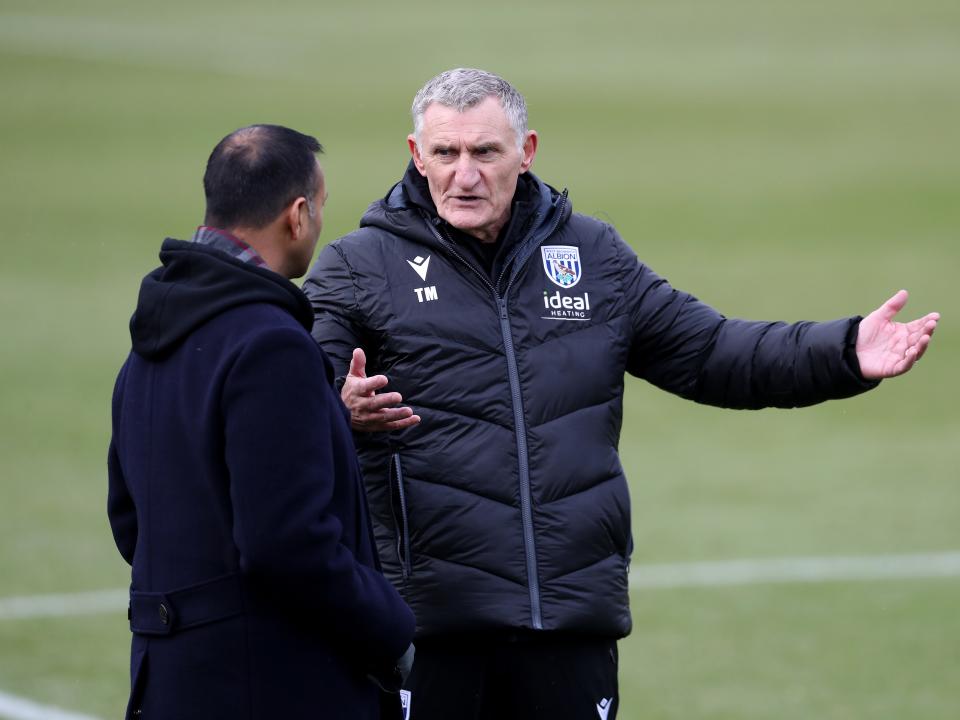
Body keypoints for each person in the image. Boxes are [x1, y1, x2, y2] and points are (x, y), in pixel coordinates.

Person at [302, 69, 939, 720]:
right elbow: (290, 395)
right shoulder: (359, 267)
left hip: (568, 623)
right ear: (417, 155)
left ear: (526, 152)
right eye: (446, 153)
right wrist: (335, 408)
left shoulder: (592, 255)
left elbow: (711, 351)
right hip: (428, 629)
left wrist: (844, 350)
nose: (465, 175)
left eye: (485, 152)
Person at [107, 124, 415, 720]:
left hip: (169, 682)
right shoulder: (272, 344)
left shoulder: (150, 342)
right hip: (268, 686)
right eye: (320, 205)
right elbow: (288, 544)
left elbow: (131, 523)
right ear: (297, 216)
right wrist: (391, 632)